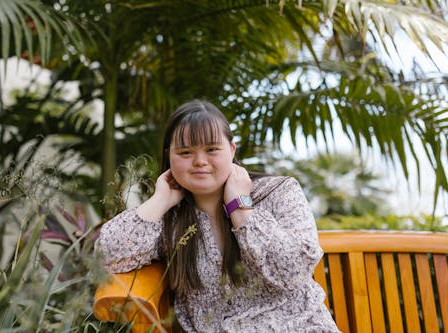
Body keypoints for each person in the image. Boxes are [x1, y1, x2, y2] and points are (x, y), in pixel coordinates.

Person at [98, 100, 340, 332]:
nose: (200, 161)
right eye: (185, 152)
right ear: (169, 156)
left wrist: (240, 207)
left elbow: (292, 271)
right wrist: (160, 200)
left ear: (231, 150)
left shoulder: (279, 192)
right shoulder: (169, 220)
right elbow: (105, 255)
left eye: (212, 149)